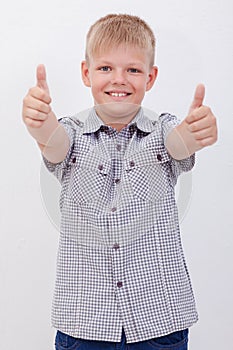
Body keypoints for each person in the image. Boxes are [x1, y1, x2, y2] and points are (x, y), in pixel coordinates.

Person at [22, 14, 217, 350]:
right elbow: (53, 145)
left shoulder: (162, 130)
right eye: (105, 68)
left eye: (133, 70)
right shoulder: (70, 134)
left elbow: (178, 144)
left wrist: (194, 133)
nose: (119, 79)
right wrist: (39, 122)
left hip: (159, 322)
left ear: (150, 77)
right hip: (84, 325)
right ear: (86, 72)